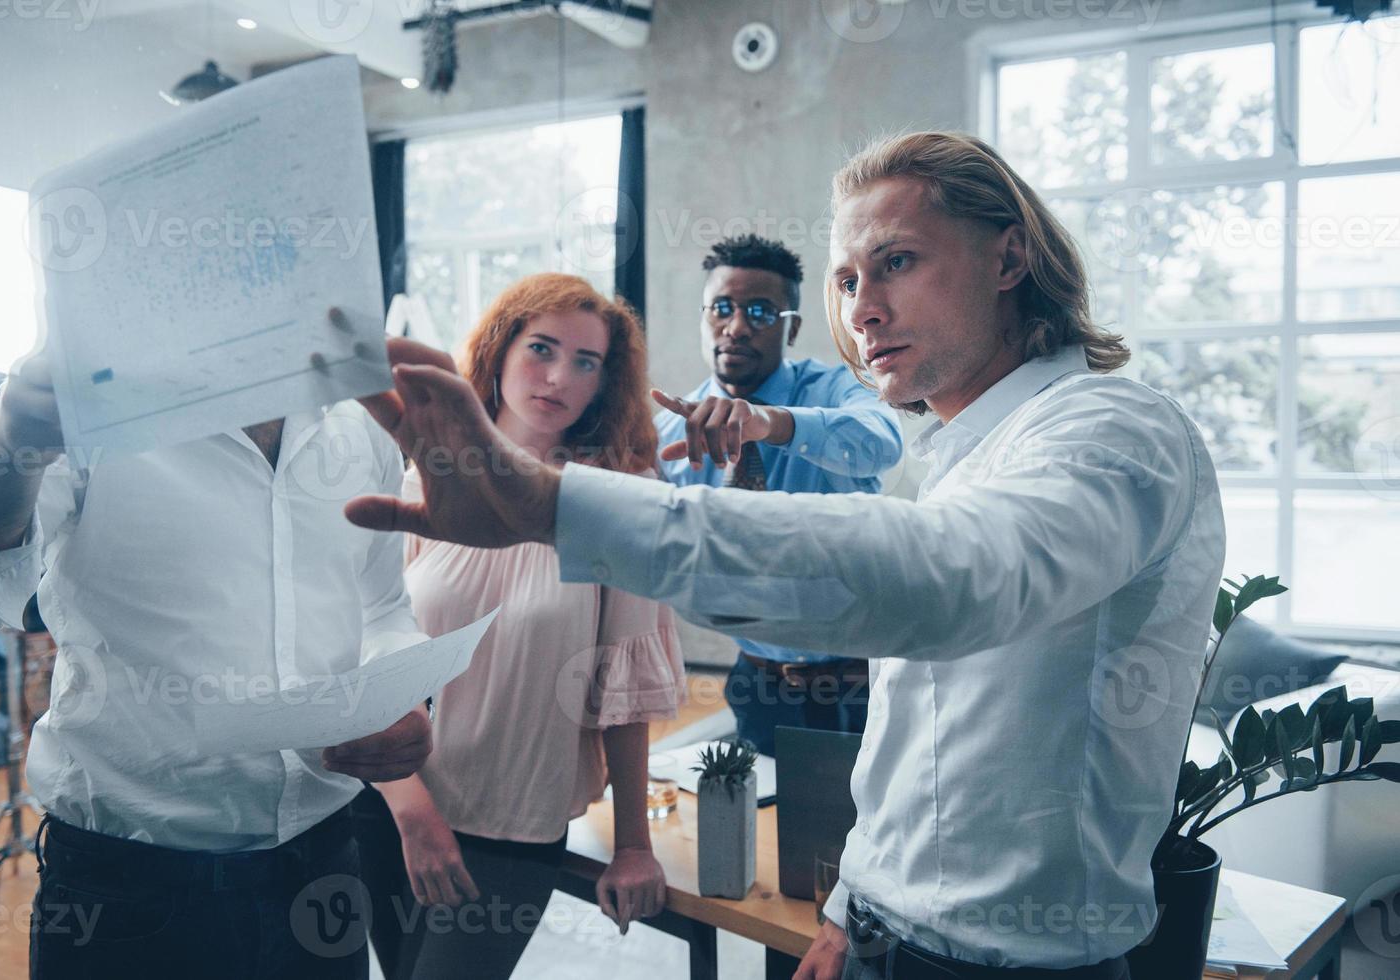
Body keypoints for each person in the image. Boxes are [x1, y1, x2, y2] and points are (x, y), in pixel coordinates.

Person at [346, 131, 1225, 980]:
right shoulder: (964, 458)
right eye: (848, 279)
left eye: (896, 262)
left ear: (1007, 261)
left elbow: (955, 581)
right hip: (883, 933)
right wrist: (854, 903)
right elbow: (918, 734)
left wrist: (552, 504)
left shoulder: (1113, 427)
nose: (862, 308)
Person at [0, 310, 432, 979]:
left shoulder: (361, 421)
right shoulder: (87, 407)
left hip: (324, 865)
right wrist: (11, 447)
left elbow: (380, 607)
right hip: (130, 884)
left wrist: (399, 692)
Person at [351, 273, 685, 980]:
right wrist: (411, 811)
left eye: (586, 362)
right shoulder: (419, 479)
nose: (559, 376)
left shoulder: (620, 502)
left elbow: (621, 690)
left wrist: (631, 844)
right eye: (541, 348)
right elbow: (361, 665)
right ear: (498, 351)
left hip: (514, 820)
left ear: (604, 383)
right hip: (390, 809)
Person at [653, 233, 902, 755]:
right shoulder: (673, 431)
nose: (737, 328)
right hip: (757, 682)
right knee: (766, 829)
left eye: (761, 312)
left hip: (859, 684)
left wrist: (770, 424)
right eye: (721, 308)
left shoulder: (834, 390)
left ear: (793, 328)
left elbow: (880, 445)